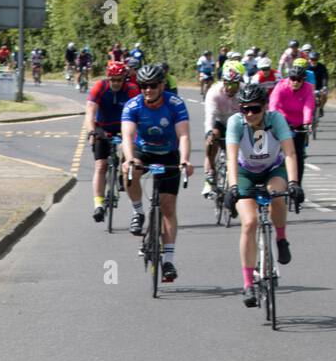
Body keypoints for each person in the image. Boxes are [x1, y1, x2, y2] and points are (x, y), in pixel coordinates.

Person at [221, 81, 304, 306]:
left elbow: (289, 152)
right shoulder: (236, 123)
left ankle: (281, 238)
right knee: (249, 222)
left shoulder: (276, 120)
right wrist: (233, 187)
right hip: (245, 171)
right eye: (244, 109)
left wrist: (295, 182)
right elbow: (231, 157)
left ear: (265, 107)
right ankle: (248, 283)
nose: (249, 114)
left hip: (272, 169)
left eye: (255, 109)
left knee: (277, 194)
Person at [120, 63, 193, 284]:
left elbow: (183, 136)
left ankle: (169, 259)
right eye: (143, 85)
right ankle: (138, 211)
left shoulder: (175, 104)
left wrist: (185, 160)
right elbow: (128, 136)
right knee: (129, 168)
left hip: (168, 153)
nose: (148, 90)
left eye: (152, 85)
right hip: (144, 151)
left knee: (168, 207)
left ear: (162, 85)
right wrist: (130, 158)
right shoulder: (133, 105)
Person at [83, 60, 143, 224]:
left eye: (119, 80)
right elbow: (90, 112)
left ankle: (122, 177)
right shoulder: (100, 87)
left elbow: (139, 114)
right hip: (103, 127)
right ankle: (98, 205)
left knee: (128, 156)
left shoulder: (131, 89)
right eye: (112, 80)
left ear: (124, 78)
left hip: (125, 127)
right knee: (101, 165)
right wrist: (91, 132)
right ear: (108, 78)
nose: (115, 83)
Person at [202, 65, 244, 197]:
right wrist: (209, 132)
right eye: (227, 84)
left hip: (237, 122)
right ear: (223, 83)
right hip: (220, 122)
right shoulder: (214, 92)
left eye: (234, 85)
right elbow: (210, 116)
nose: (230, 89)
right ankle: (210, 174)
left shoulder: (244, 91)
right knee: (213, 136)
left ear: (239, 84)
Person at [269, 63, 316, 164]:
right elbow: (274, 104)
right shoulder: (281, 86)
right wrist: (273, 120)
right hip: (283, 120)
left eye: (299, 80)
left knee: (298, 155)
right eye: (293, 79)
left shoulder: (307, 88)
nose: (295, 82)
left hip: (299, 122)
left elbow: (308, 106)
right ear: (289, 78)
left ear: (303, 80)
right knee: (275, 150)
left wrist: (307, 122)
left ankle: (297, 179)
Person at [308, 50, 329, 114]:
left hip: (319, 86)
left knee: (324, 94)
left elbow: (324, 77)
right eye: (312, 59)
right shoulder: (306, 67)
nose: (313, 61)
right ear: (309, 59)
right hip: (308, 86)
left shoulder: (322, 67)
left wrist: (324, 86)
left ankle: (321, 108)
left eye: (315, 59)